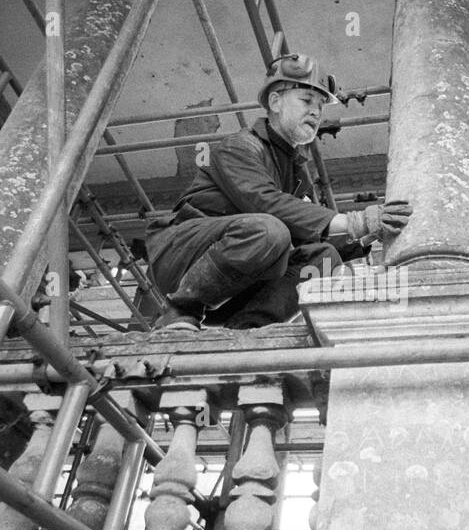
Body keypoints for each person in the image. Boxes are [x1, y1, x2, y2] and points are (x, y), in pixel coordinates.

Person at [145, 53, 413, 331]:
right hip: (181, 259)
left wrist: (368, 232)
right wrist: (354, 221)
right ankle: (179, 311)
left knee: (324, 258)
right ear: (275, 102)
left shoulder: (295, 174)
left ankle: (251, 330)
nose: (316, 112)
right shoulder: (241, 146)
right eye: (306, 100)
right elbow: (265, 202)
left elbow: (304, 232)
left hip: (235, 287)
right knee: (268, 230)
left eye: (321, 106)